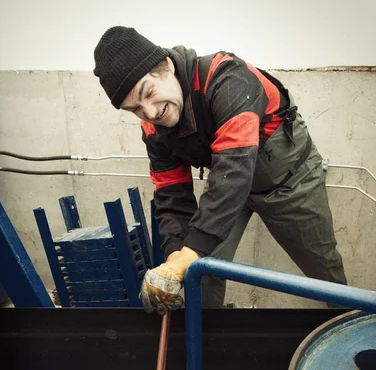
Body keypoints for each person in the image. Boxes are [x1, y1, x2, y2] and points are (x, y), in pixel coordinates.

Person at [93, 26, 346, 314]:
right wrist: (176, 257)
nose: (150, 113)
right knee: (199, 273)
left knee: (324, 270)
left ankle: (349, 334)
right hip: (226, 188)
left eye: (148, 93)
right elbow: (171, 193)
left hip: (289, 181)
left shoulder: (227, 78)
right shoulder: (153, 126)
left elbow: (235, 166)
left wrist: (188, 253)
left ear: (165, 66)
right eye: (135, 109)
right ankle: (205, 346)